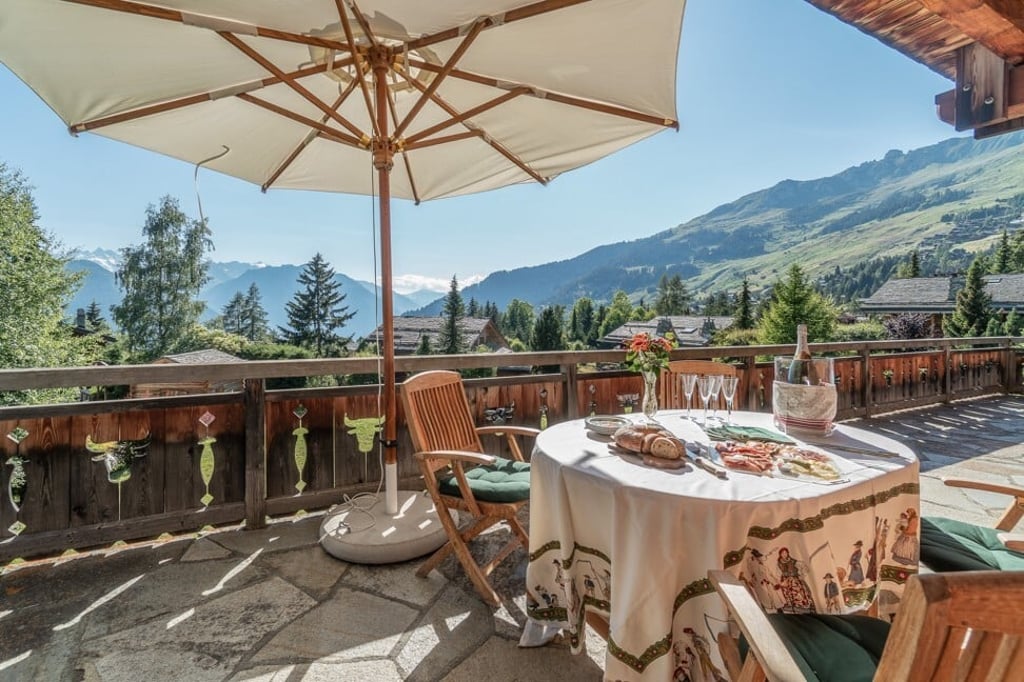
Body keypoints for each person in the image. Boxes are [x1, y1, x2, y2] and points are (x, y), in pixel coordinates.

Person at [776, 547, 816, 613]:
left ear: (788, 553)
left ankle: (804, 607)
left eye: (785, 553)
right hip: (786, 581)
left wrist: (802, 575)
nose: (784, 554)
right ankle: (794, 607)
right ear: (780, 554)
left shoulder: (793, 561)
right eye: (783, 553)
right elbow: (778, 574)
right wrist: (781, 582)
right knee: (788, 595)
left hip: (795, 580)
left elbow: (804, 566)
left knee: (800, 593)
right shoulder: (779, 564)